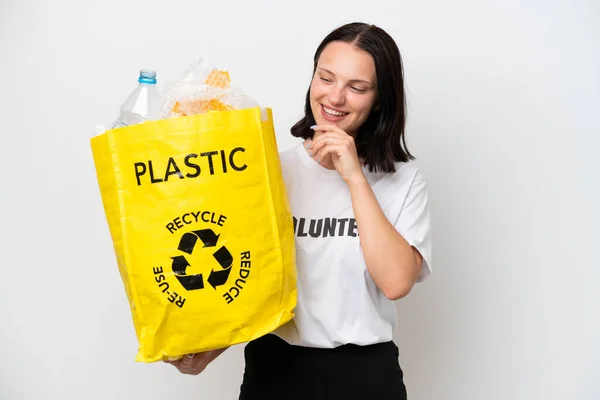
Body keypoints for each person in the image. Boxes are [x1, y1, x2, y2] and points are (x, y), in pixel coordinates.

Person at [166, 22, 432, 400]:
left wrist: (354, 177)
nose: (335, 97)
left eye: (356, 87)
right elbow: (254, 282)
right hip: (274, 372)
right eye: (326, 78)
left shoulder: (403, 180)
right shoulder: (269, 170)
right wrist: (209, 350)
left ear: (379, 99)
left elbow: (396, 283)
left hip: (366, 379)